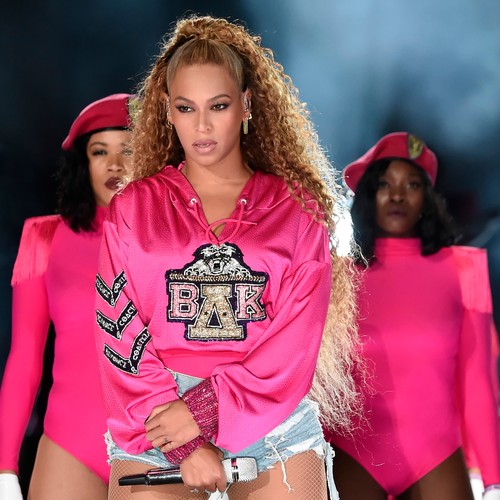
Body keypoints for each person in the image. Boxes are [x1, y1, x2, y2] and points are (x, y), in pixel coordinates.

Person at [93, 14, 362, 500]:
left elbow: (295, 342)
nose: (202, 126)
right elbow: (118, 329)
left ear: (246, 104)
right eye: (186, 107)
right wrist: (184, 439)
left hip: (273, 424)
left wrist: (202, 411)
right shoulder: (132, 207)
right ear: (166, 110)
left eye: (218, 106)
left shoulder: (297, 209)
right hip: (156, 419)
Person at [325, 131, 500, 500]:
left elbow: (477, 380)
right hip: (353, 453)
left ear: (426, 199)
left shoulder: (464, 270)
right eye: (384, 185)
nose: (398, 195)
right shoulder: (336, 276)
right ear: (367, 196)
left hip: (435, 454)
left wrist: (493, 477)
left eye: (412, 184)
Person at [0, 93, 136, 500]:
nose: (114, 164)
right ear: (83, 163)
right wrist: (5, 467)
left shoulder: (178, 240)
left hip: (158, 444)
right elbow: (25, 358)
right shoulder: (44, 237)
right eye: (100, 151)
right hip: (68, 446)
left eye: (128, 149)